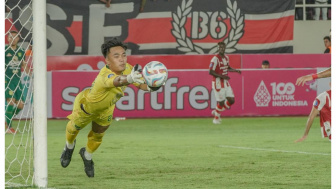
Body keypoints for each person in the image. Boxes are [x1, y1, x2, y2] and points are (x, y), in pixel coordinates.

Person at [60, 38, 161, 177]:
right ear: (107, 61)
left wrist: (155, 85)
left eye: (124, 55)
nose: (122, 59)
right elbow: (117, 81)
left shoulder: (128, 69)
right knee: (73, 129)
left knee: (98, 135)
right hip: (86, 107)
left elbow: (142, 85)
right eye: (116, 56)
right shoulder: (104, 76)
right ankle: (69, 146)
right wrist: (129, 79)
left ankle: (87, 156)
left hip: (106, 109)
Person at [209, 42, 241, 124]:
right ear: (218, 48)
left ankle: (216, 111)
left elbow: (227, 67)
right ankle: (216, 119)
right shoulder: (215, 59)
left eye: (223, 47)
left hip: (225, 82)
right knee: (221, 102)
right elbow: (210, 71)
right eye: (220, 47)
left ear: (225, 48)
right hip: (218, 83)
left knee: (231, 100)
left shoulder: (226, 57)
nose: (222, 49)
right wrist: (222, 76)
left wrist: (235, 70)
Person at [5, 30, 28, 134]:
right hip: (7, 79)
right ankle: (9, 127)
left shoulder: (21, 50)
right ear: (7, 38)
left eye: (15, 37)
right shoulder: (4, 50)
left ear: (18, 39)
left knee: (20, 105)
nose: (12, 39)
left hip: (17, 80)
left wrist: (31, 73)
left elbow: (23, 64)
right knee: (11, 101)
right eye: (11, 37)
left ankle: (6, 120)